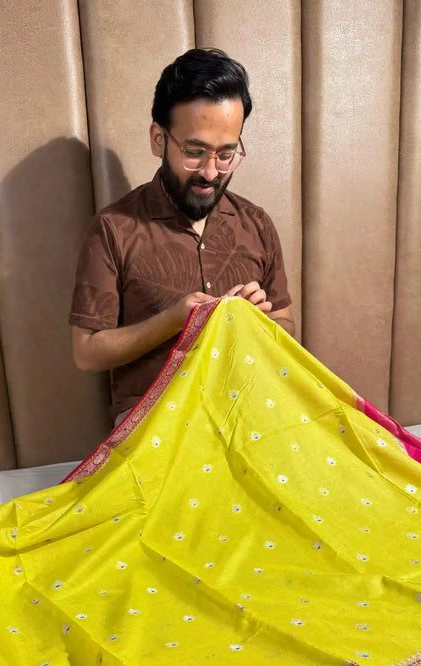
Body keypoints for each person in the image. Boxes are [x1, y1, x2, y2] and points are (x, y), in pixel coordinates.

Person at [69, 48, 294, 423]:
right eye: (194, 152)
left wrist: (257, 322)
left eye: (226, 155)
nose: (210, 172)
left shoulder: (256, 223)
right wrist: (176, 320)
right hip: (156, 424)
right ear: (159, 139)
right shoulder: (114, 229)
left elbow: (287, 328)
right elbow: (87, 352)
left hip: (252, 412)